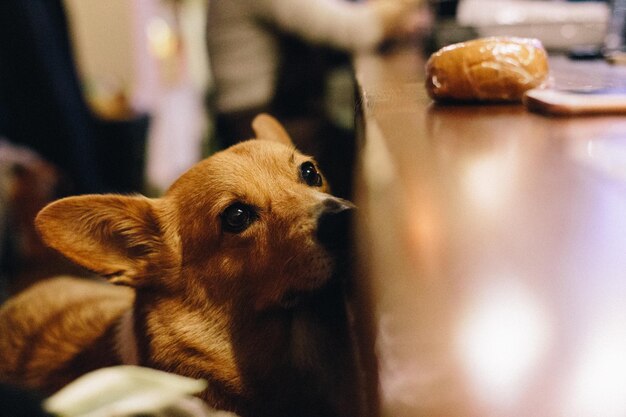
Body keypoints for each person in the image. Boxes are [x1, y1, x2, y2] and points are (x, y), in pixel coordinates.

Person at [207, 0, 428, 197]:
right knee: (382, 166)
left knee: (377, 152)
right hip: (260, 119)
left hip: (279, 109)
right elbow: (354, 28)